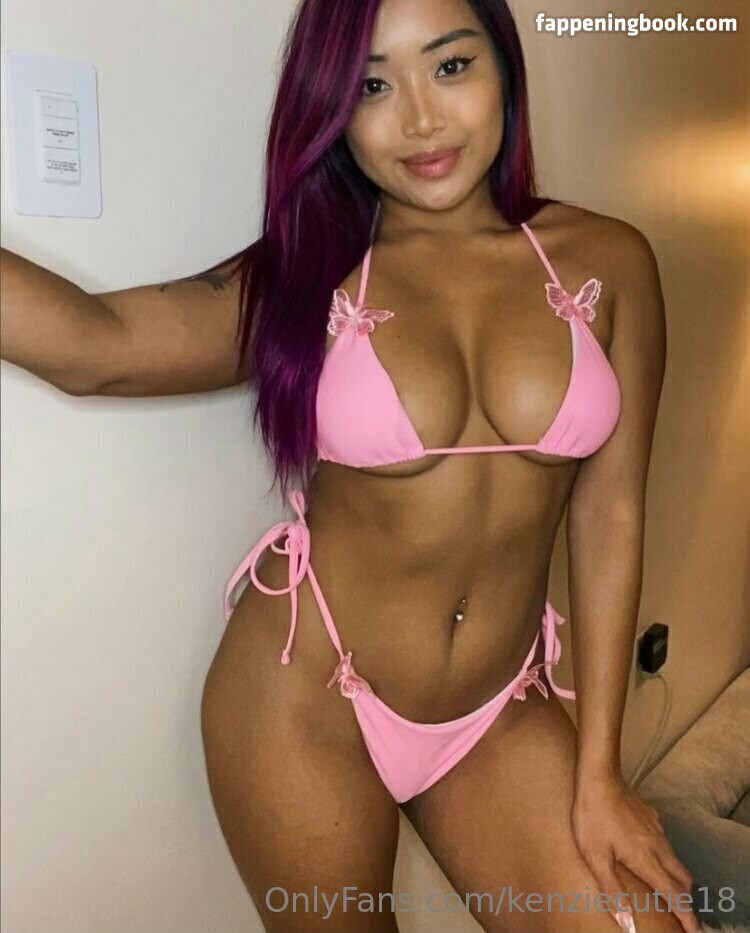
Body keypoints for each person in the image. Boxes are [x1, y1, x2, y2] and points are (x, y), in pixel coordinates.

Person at [0, 1, 703, 932]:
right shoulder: (310, 276)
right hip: (306, 701)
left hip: (496, 707)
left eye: (450, 67)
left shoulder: (611, 261)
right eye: (373, 85)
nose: (420, 119)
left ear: (504, 69)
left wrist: (599, 771)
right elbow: (98, 346)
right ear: (334, 110)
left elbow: (609, 515)